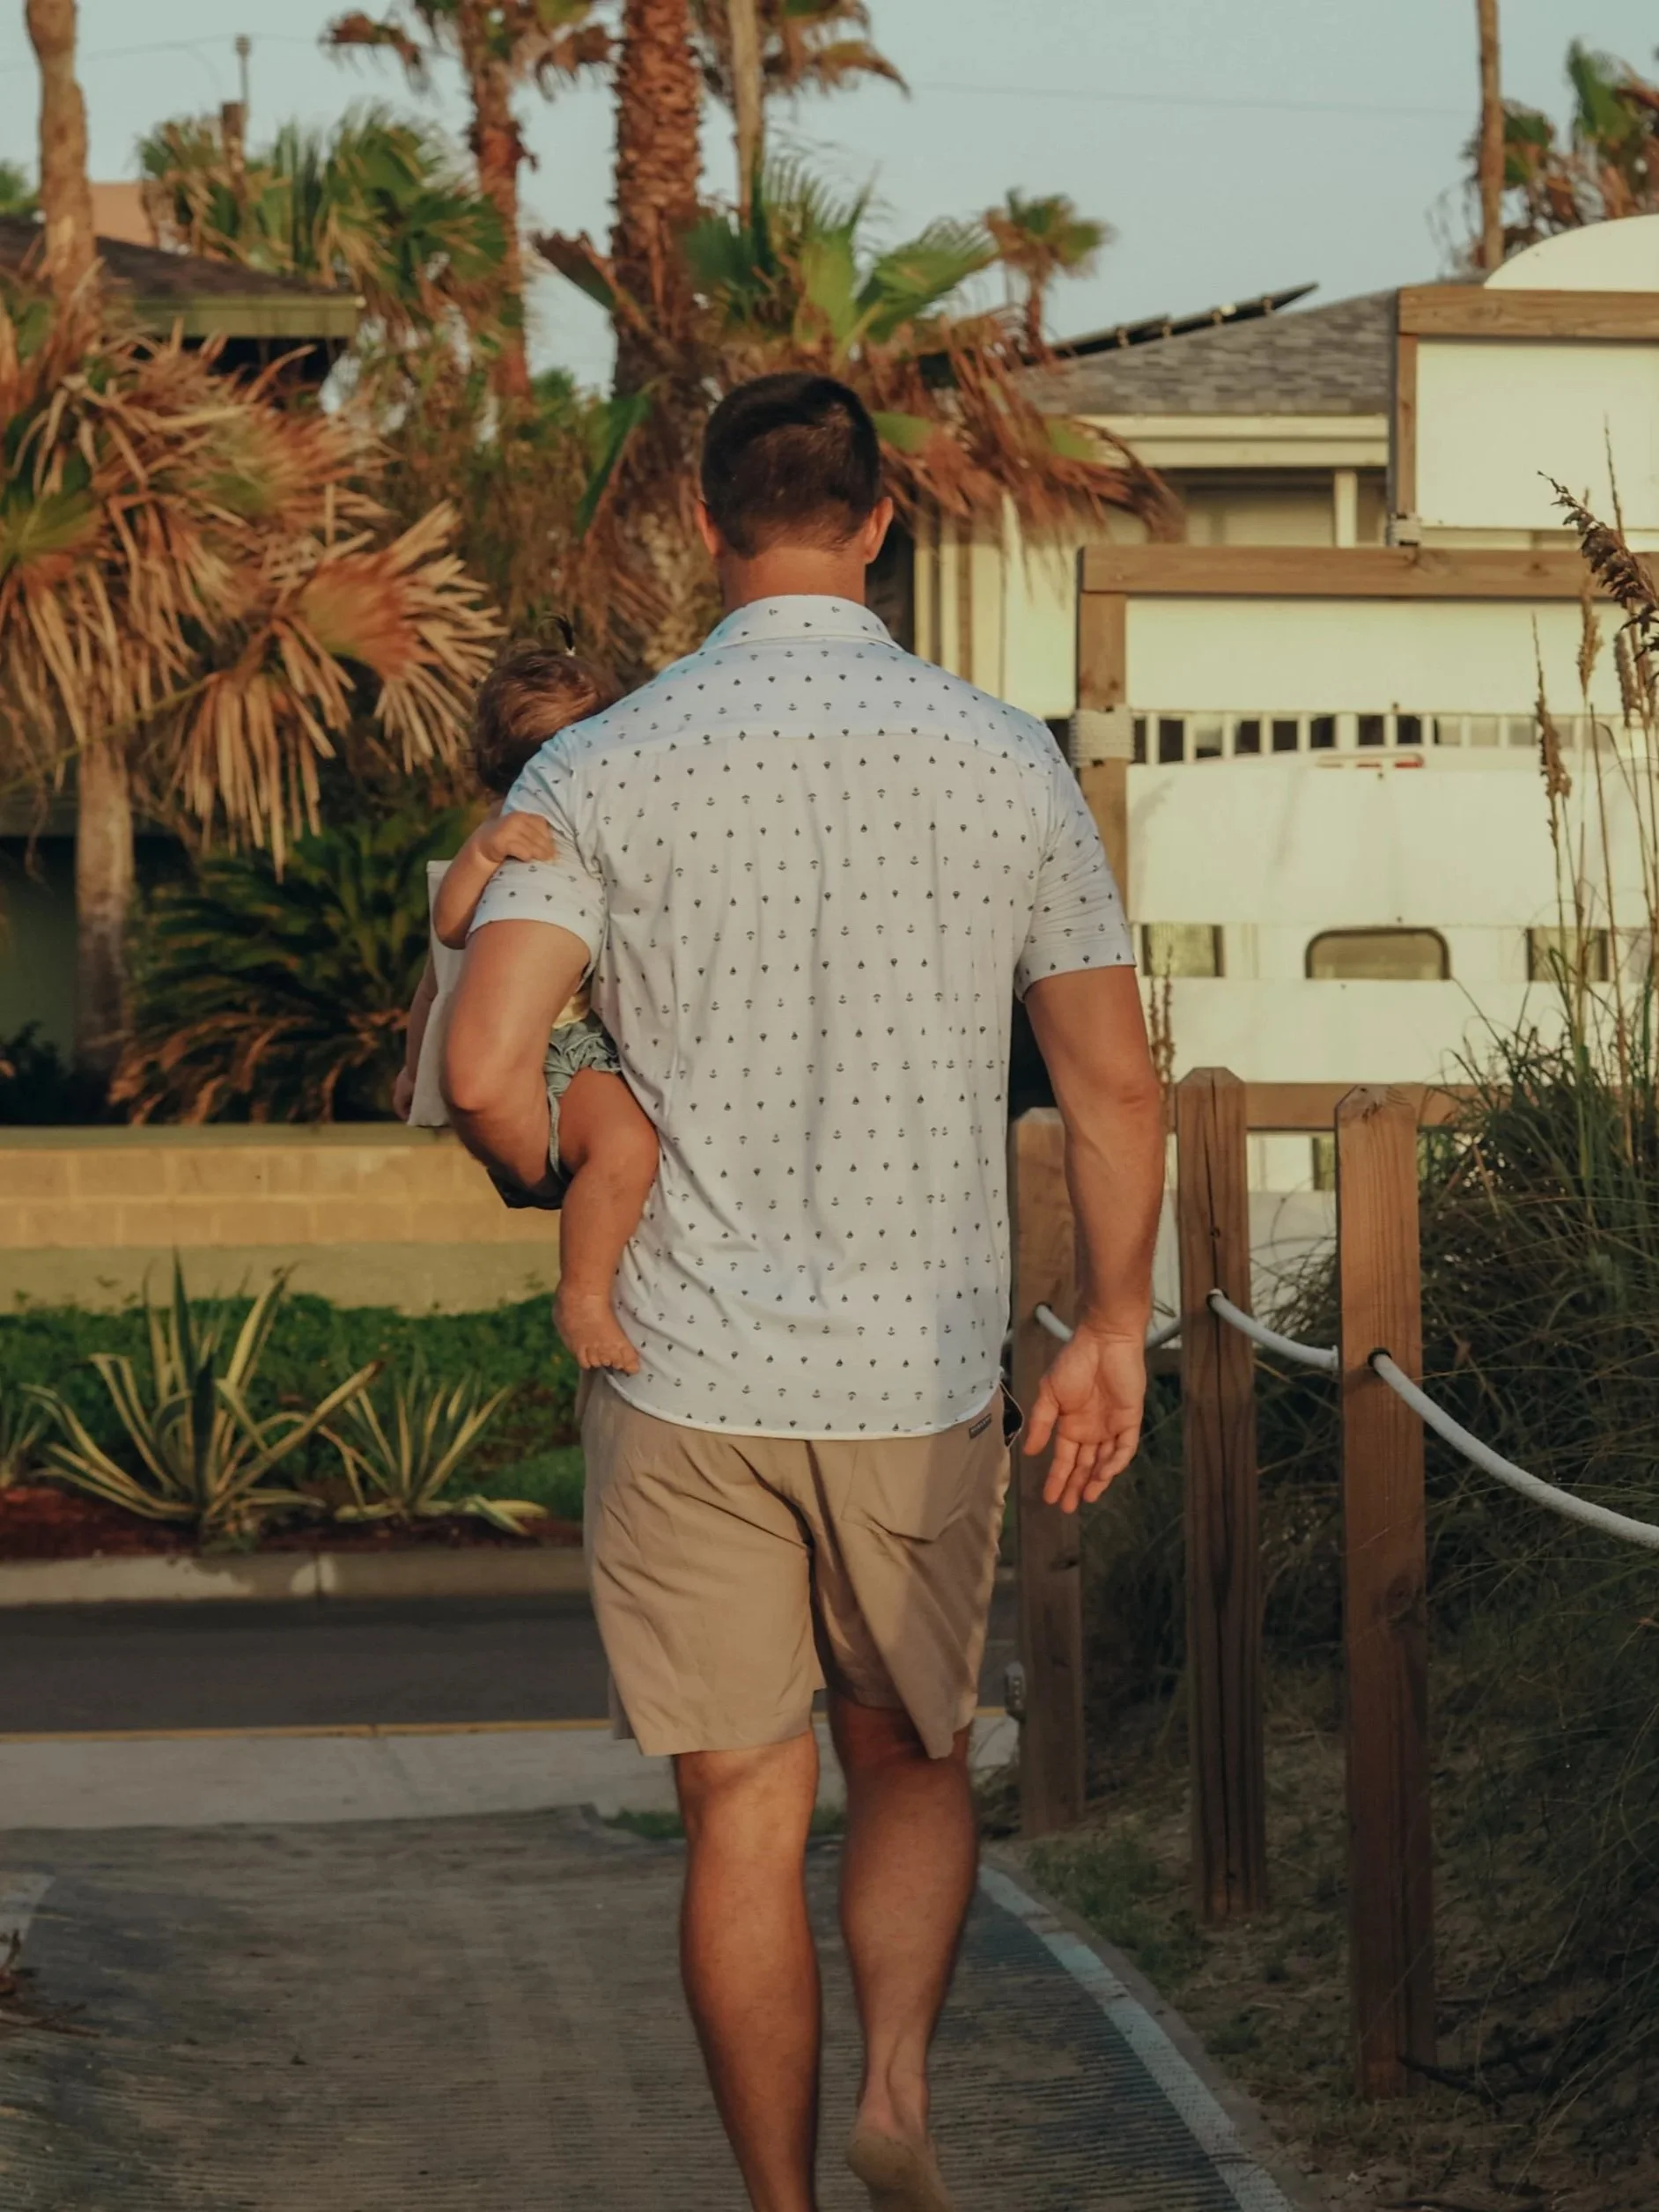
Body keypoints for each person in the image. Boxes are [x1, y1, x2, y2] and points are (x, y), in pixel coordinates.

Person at [442, 373, 1165, 2212]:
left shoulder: (593, 768)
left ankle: (777, 2203)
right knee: (912, 1755)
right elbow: (1110, 1085)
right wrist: (1108, 1324)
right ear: (879, 523)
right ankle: (902, 2090)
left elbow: (482, 1071)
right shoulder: (1007, 759)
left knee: (739, 1811)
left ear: (704, 526)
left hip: (682, 1364)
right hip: (916, 1369)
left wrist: (569, 1170)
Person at [394, 639, 660, 1372]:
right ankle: (581, 1296)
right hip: (552, 1057)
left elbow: (431, 986)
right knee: (626, 1150)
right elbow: (445, 946)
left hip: (574, 1047)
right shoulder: (502, 837)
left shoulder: (590, 829)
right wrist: (484, 852)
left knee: (627, 1155)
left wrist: (413, 1065)